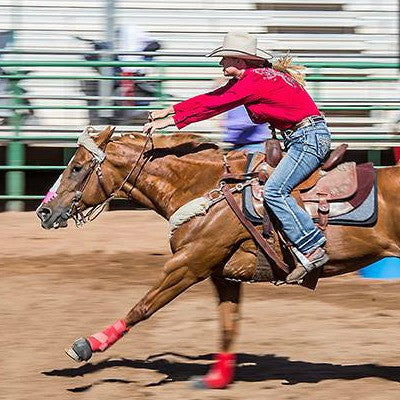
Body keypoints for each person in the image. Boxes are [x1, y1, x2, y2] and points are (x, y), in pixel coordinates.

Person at [143, 31, 331, 283]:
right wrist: (170, 111)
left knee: (274, 191)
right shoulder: (258, 77)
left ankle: (312, 246)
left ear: (240, 62)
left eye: (224, 59)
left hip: (307, 140)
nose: (221, 63)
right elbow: (213, 99)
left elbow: (215, 104)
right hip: (306, 136)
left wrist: (170, 120)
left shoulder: (253, 81)